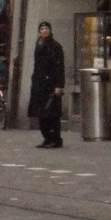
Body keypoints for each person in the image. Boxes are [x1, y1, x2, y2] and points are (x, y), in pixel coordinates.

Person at [28, 20, 65, 148]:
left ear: (50, 31)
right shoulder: (38, 44)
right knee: (41, 114)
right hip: (39, 84)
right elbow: (37, 65)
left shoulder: (55, 46)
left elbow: (59, 67)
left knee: (52, 114)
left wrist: (59, 85)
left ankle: (55, 139)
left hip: (51, 85)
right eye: (42, 29)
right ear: (39, 31)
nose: (44, 31)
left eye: (46, 29)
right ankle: (47, 138)